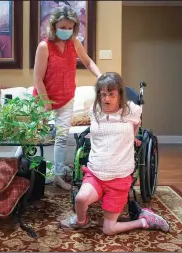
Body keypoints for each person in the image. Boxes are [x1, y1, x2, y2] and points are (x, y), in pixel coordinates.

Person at [60, 72, 169, 234]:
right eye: (103, 94)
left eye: (111, 94)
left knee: (109, 229)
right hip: (95, 173)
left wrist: (132, 138)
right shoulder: (95, 110)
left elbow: (136, 123)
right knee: (80, 199)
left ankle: (145, 221)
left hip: (119, 177)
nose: (106, 99)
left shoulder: (130, 111)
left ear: (120, 95)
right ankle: (81, 221)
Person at [33, 6, 101, 190]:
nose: (67, 30)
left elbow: (87, 61)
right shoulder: (44, 46)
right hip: (44, 98)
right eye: (63, 27)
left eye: (70, 27)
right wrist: (46, 102)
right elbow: (38, 78)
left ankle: (58, 176)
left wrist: (100, 75)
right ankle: (24, 173)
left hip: (67, 97)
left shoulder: (75, 43)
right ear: (54, 26)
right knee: (32, 137)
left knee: (61, 138)